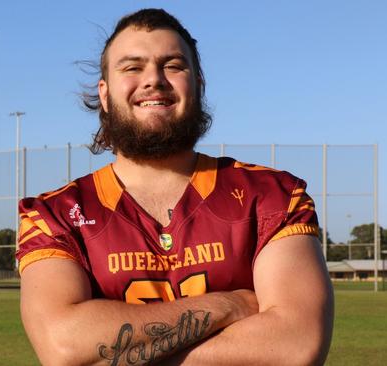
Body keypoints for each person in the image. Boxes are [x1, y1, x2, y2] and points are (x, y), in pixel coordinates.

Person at [17, 8, 333, 365]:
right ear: (104, 94)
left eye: (172, 65)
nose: (154, 79)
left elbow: (295, 347)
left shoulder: (273, 195)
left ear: (198, 84)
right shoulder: (54, 214)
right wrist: (228, 305)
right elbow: (63, 347)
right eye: (132, 67)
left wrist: (113, 354)